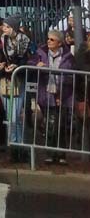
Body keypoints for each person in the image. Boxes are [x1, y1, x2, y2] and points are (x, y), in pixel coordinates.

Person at [29, 30, 75, 165]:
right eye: (48, 39)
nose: (48, 41)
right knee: (49, 124)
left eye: (52, 40)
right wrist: (36, 65)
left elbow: (70, 77)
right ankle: (50, 153)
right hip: (46, 93)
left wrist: (63, 95)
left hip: (61, 95)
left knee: (60, 125)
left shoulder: (68, 57)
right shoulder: (40, 53)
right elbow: (29, 62)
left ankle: (61, 154)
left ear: (59, 43)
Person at [0, 15, 30, 163]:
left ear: (14, 28)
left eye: (7, 26)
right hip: (5, 79)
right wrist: (1, 64)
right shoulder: (3, 40)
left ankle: (18, 146)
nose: (4, 29)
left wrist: (17, 65)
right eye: (4, 26)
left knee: (14, 116)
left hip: (18, 79)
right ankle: (16, 147)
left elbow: (26, 59)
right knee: (10, 117)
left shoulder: (24, 41)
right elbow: (1, 57)